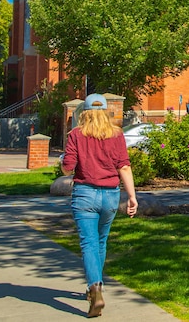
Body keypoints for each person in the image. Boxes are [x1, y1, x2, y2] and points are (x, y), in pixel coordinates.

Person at [61, 94, 137, 318]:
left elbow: (68, 168)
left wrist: (64, 160)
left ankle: (95, 287)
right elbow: (124, 166)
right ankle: (96, 285)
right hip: (110, 196)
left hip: (84, 195)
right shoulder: (117, 135)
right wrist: (132, 196)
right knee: (101, 241)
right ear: (105, 112)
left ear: (84, 112)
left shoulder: (76, 134)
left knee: (88, 243)